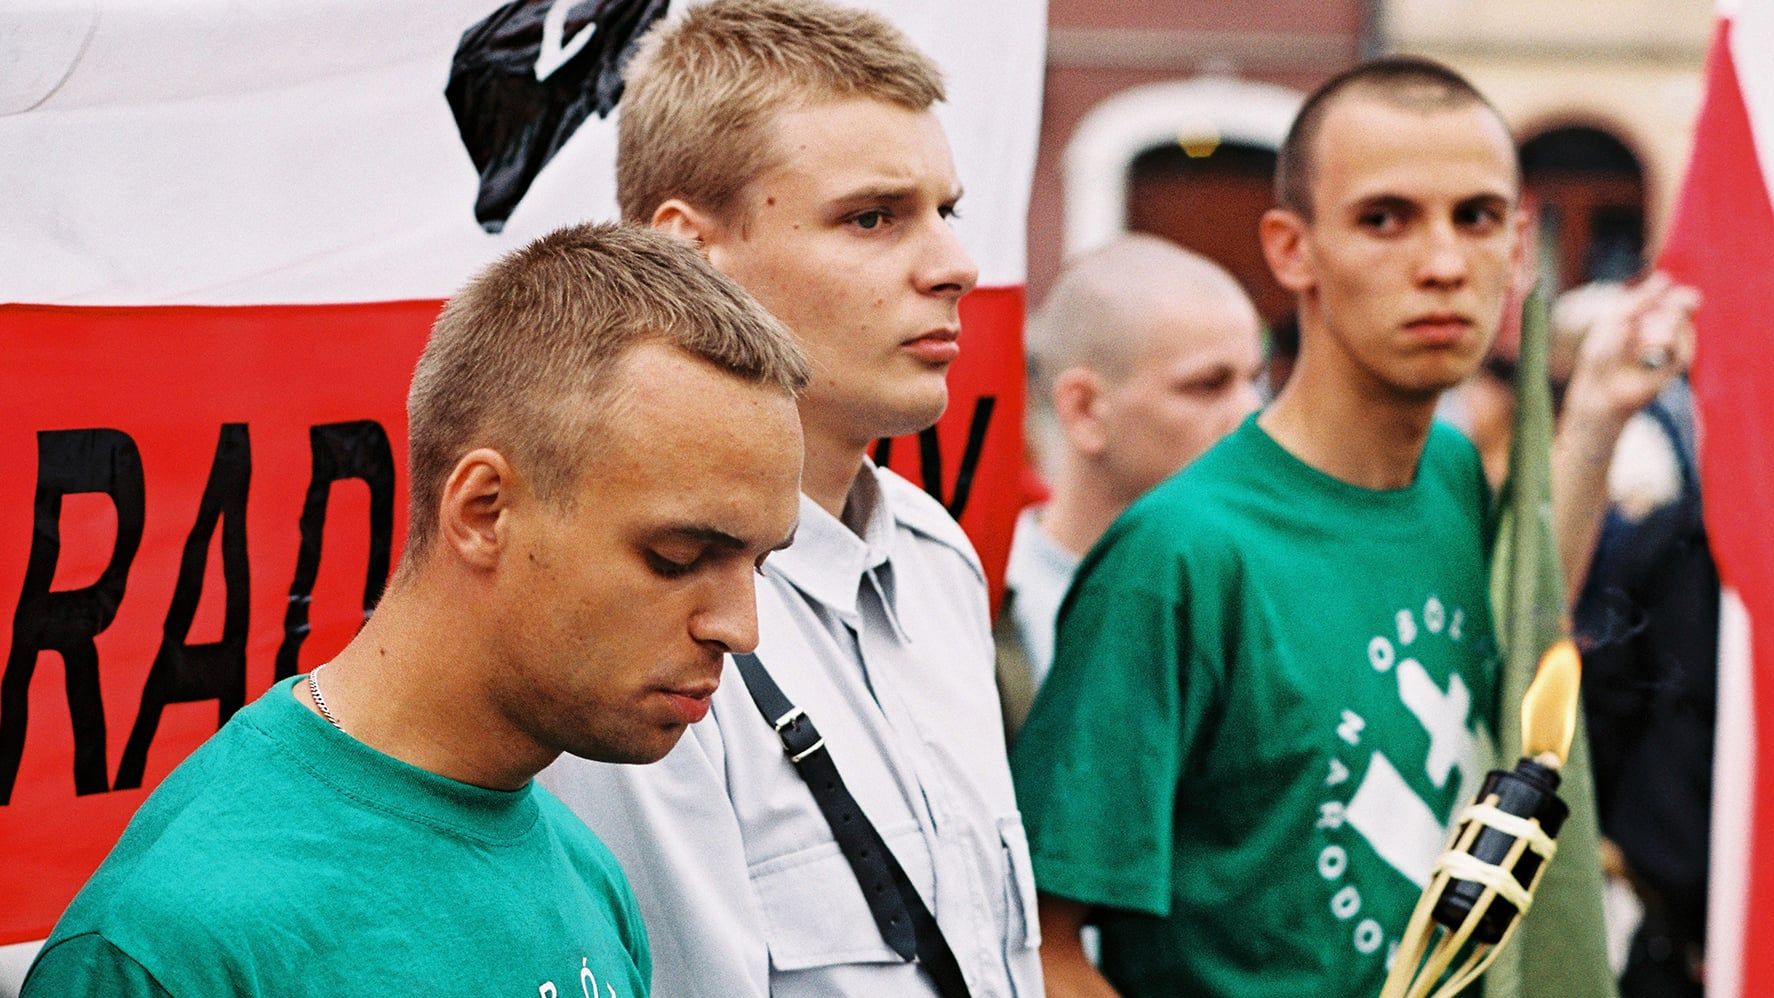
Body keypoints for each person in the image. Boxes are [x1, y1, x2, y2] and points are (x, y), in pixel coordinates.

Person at [1009, 58, 1695, 997]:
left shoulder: (1450, 472)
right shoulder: (1179, 556)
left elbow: (1519, 640)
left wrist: (1599, 415)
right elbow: (1041, 948)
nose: (1443, 264)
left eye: (1476, 217)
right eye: (1384, 219)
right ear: (1292, 249)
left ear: (1517, 246)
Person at [21, 223, 809, 997]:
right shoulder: (174, 944)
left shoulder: (584, 869)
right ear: (484, 511)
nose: (740, 629)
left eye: (761, 563)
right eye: (678, 557)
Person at [540, 2, 1041, 996]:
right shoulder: (624, 612)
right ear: (689, 252)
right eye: (872, 218)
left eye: (946, 211)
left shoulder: (936, 556)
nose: (954, 266)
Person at [998, 235, 1263, 735]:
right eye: (1207, 385)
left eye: (1255, 379)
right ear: (1085, 408)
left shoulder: (1269, 586)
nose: (1251, 415)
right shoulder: (978, 599)